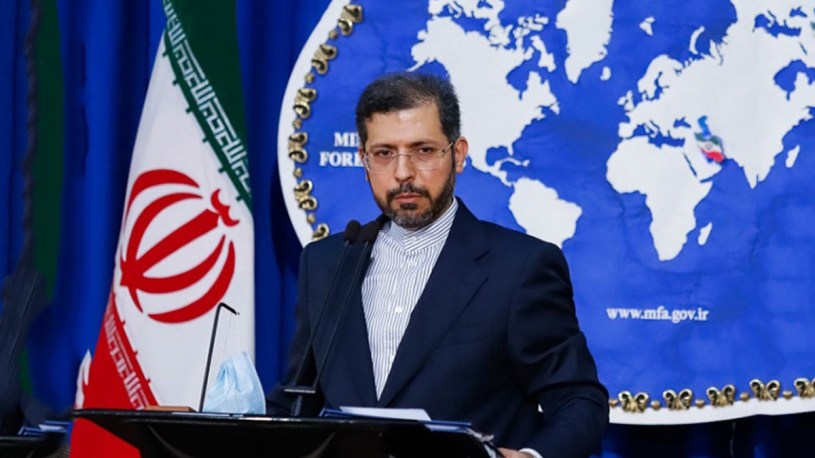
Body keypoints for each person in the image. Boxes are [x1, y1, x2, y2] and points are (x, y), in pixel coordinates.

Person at [268, 72, 609, 458]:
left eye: (423, 150)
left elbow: (579, 400)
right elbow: (296, 400)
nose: (403, 173)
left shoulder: (520, 268)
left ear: (458, 154)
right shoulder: (326, 263)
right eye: (384, 153)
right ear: (363, 160)